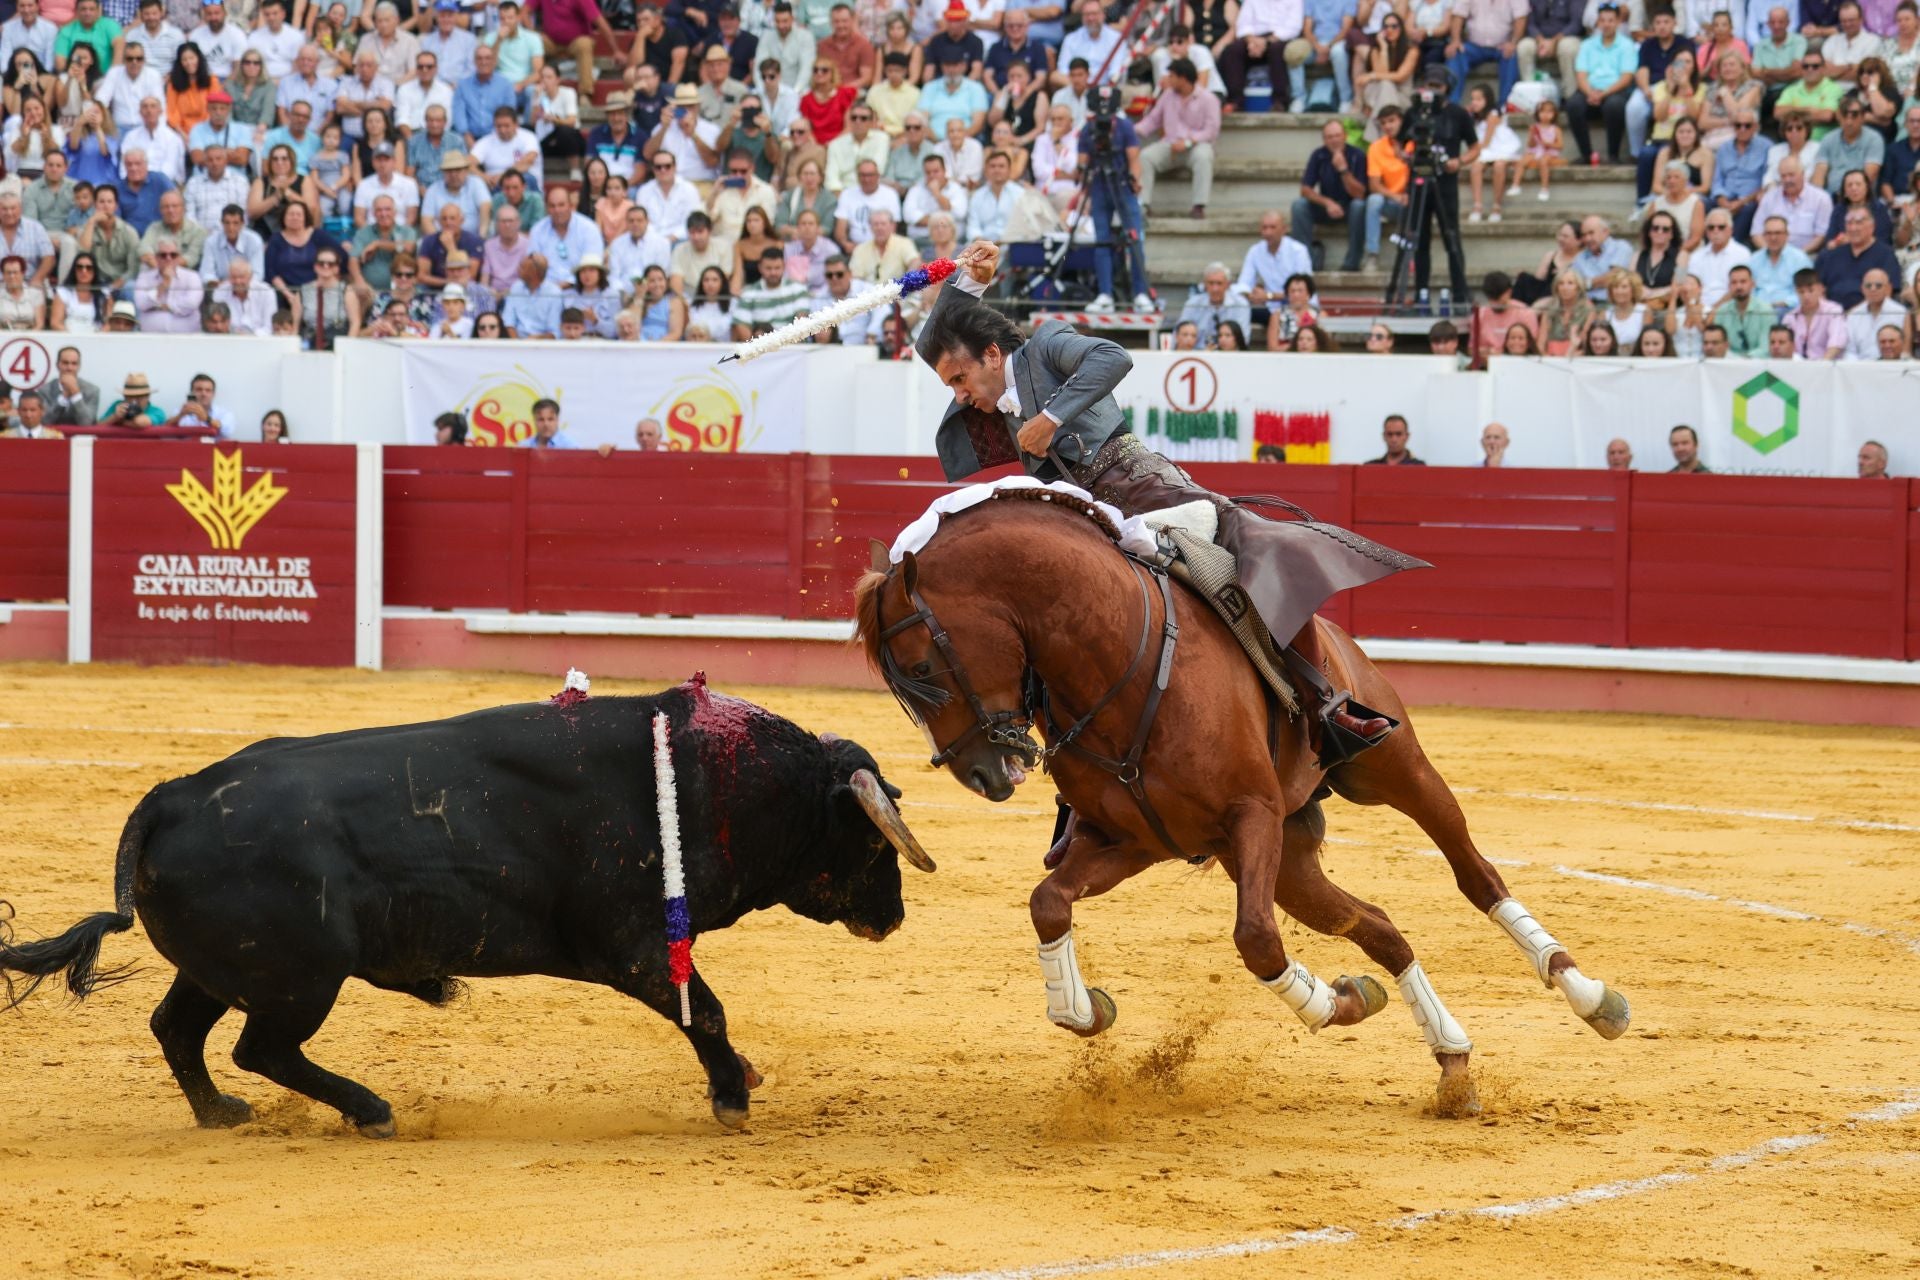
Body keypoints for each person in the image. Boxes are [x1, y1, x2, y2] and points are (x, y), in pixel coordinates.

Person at [916, 237, 1416, 769]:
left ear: (992, 355)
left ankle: (1326, 705)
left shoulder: (1046, 346)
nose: (959, 395)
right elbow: (934, 338)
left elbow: (1113, 356)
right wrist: (969, 283)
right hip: (1083, 515)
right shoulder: (990, 389)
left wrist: (1054, 417)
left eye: (959, 379)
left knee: (1257, 548)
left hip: (1140, 485)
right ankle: (1078, 776)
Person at [1405, 65, 1477, 307]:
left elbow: (1475, 147)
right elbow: (1397, 142)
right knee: (1419, 240)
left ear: (1447, 87)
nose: (1433, 90)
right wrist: (1406, 157)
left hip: (1446, 184)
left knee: (1452, 238)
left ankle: (1459, 293)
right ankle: (1420, 294)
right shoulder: (1414, 111)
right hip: (1418, 181)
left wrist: (1460, 161)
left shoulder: (1458, 114)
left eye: (1438, 86)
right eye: (1429, 85)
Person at [1570, 3, 1638, 163]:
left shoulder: (1626, 45)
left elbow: (1626, 78)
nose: (1606, 24)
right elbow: (1581, 75)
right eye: (1603, 20)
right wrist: (1590, 93)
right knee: (1573, 105)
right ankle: (1586, 154)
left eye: (1611, 20)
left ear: (1618, 22)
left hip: (1615, 90)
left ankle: (1613, 155)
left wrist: (1603, 93)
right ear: (1598, 23)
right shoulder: (1587, 45)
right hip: (1590, 90)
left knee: (1614, 106)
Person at [1218, 0, 1305, 110]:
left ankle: (1280, 101)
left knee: (1277, 50)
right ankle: (1235, 101)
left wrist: (1266, 42)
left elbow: (1293, 28)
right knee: (1232, 51)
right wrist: (1251, 40)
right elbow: (1243, 24)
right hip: (1253, 39)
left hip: (1279, 39)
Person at [1843, 266, 1906, 357]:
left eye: (1878, 285)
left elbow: (1904, 349)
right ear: (1862, 289)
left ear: (1888, 288)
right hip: (1860, 366)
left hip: (1892, 366)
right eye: (1868, 286)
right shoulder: (1854, 314)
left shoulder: (1900, 312)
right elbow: (1850, 350)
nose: (1873, 289)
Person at [1179, 260, 1253, 335]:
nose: (1215, 289)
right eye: (1211, 283)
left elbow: (1243, 338)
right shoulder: (1192, 304)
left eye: (1219, 283)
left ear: (1227, 285)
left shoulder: (1240, 305)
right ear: (1205, 284)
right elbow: (1179, 335)